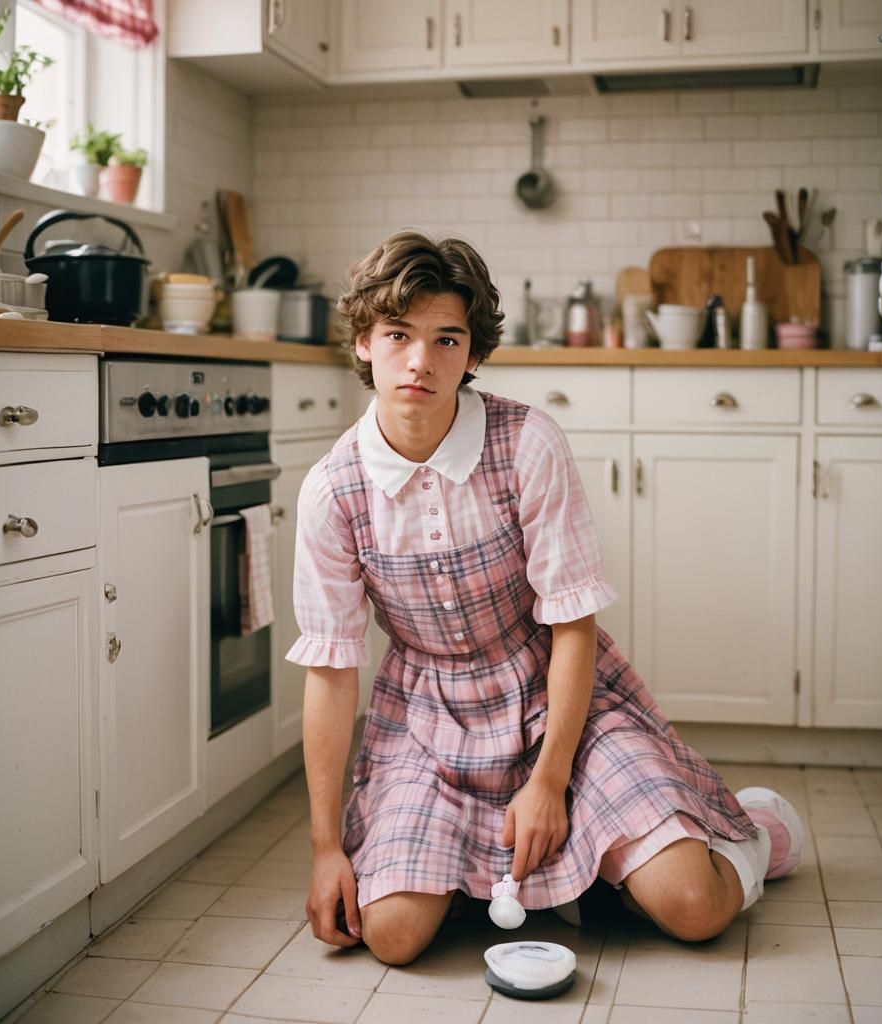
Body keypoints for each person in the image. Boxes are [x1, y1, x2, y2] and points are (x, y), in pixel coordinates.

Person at [288, 231, 804, 967]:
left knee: (695, 907)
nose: (420, 361)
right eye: (398, 334)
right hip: (427, 722)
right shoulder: (333, 490)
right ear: (365, 341)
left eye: (446, 339)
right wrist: (324, 847)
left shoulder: (528, 442)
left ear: (472, 354)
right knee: (393, 937)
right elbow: (333, 673)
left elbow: (573, 627)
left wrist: (549, 782)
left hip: (559, 702)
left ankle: (750, 832)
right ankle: (538, 875)